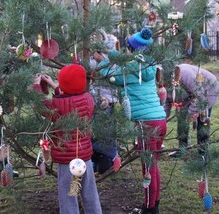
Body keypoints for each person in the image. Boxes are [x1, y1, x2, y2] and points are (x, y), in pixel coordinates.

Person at [93, 28, 167, 214]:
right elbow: (121, 58)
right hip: (159, 120)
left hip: (146, 124)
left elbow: (114, 76)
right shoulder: (148, 64)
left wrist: (102, 61)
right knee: (153, 165)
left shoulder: (131, 67)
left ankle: (148, 209)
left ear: (132, 50)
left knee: (147, 169)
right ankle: (154, 205)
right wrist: (108, 51)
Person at [32, 64, 102, 214]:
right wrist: (54, 85)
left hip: (67, 161)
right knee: (90, 195)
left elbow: (41, 105)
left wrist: (37, 86)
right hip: (85, 159)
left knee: (68, 198)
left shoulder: (57, 105)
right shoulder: (88, 99)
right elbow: (70, 98)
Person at [162, 63, 219, 157]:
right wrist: (162, 118)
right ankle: (182, 150)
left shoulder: (186, 75)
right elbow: (167, 100)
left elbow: (200, 97)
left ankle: (203, 153)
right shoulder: (166, 82)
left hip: (208, 90)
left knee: (202, 121)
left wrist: (190, 114)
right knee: (181, 120)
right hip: (190, 94)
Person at [89, 29, 121, 174]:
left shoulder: (111, 51)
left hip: (108, 97)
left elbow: (115, 72)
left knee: (107, 130)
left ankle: (108, 159)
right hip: (94, 95)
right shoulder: (89, 52)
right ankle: (96, 159)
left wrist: (102, 61)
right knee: (95, 129)